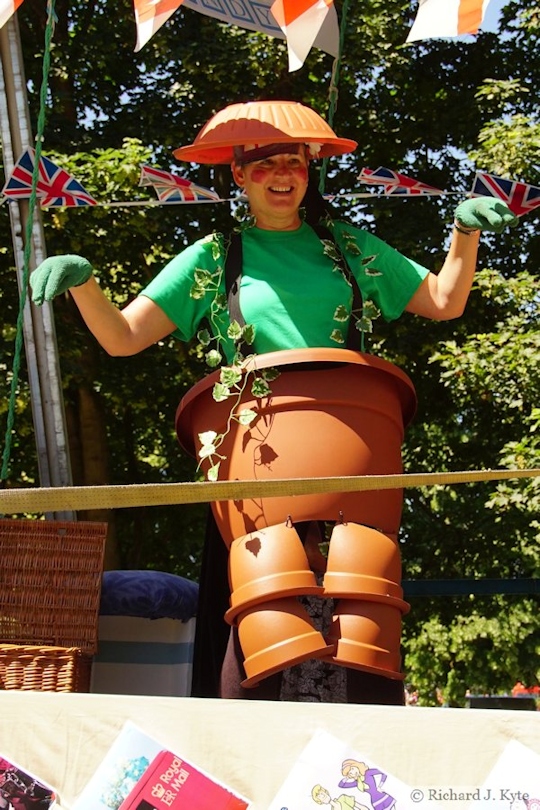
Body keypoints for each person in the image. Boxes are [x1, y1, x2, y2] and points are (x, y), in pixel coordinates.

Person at [30, 99, 518, 705]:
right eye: (263, 164)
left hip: (353, 470)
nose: (281, 174)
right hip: (254, 478)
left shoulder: (350, 247)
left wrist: (463, 232)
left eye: (293, 161)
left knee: (363, 620)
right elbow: (122, 338)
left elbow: (445, 300)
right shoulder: (211, 260)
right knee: (262, 618)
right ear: (238, 174)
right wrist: (85, 283)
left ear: (310, 169)